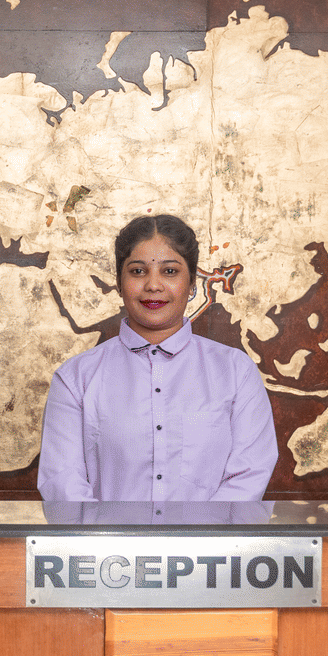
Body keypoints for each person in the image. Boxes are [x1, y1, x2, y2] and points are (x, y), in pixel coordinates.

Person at [37, 214, 277, 502]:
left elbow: (249, 475)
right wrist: (112, 545)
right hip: (106, 546)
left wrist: (195, 544)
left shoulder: (236, 372)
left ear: (192, 285)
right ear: (118, 282)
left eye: (170, 271)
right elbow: (63, 483)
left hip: (210, 545)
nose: (153, 285)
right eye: (138, 271)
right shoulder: (76, 377)